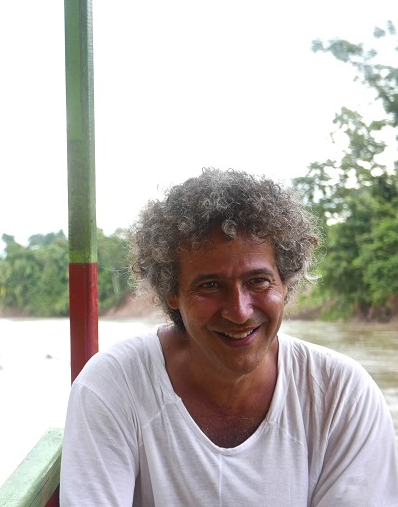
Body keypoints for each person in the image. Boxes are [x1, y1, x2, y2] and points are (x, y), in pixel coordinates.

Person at [60, 168, 398, 506]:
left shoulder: (340, 395)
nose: (238, 311)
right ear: (172, 293)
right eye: (210, 285)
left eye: (258, 281)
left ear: (285, 283)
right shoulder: (114, 386)